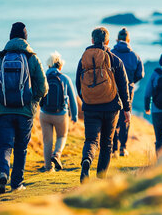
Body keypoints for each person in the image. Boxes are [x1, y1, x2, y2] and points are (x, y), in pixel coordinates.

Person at [0, 22, 48, 193]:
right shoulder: (31, 57)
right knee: (21, 148)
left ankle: (2, 173)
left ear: (10, 37)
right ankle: (16, 183)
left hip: (5, 111)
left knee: (5, 145)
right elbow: (43, 87)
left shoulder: (0, 57)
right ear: (25, 37)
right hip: (25, 112)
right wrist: (33, 101)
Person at [76, 27, 131, 183]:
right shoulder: (115, 60)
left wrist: (88, 99)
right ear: (107, 41)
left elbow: (78, 85)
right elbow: (123, 85)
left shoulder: (83, 59)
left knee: (91, 140)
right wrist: (126, 109)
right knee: (107, 142)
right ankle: (101, 178)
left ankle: (87, 160)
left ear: (92, 40)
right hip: (111, 107)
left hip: (90, 108)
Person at [39, 51, 78, 172]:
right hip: (61, 114)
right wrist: (75, 115)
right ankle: (56, 155)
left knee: (47, 141)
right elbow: (72, 99)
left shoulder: (43, 78)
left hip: (44, 114)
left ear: (49, 66)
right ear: (60, 66)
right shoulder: (65, 78)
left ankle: (48, 168)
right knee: (62, 136)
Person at [110, 27, 144, 157]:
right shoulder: (135, 56)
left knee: (113, 117)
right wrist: (131, 82)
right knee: (126, 117)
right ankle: (123, 148)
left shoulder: (111, 53)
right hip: (129, 90)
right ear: (128, 39)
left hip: (113, 90)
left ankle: (113, 148)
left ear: (117, 39)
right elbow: (140, 74)